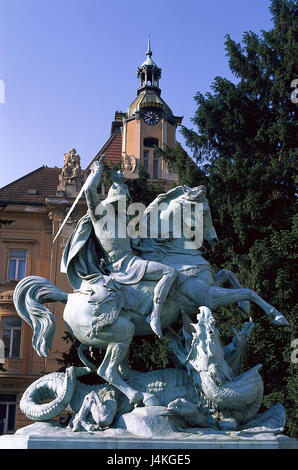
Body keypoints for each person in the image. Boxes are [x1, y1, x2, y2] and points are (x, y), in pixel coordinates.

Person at [79, 156, 177, 338]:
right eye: (123, 198)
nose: (125, 202)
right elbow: (89, 191)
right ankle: (154, 315)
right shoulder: (100, 216)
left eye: (126, 199)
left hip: (131, 260)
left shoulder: (123, 222)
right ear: (115, 198)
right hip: (124, 264)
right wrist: (97, 172)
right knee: (169, 272)